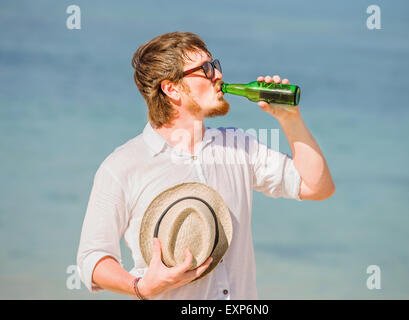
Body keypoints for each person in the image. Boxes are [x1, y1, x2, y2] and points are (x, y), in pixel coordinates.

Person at [76, 31, 335, 300]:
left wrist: (289, 119)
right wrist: (141, 287)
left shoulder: (239, 147)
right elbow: (92, 259)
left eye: (216, 66)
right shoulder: (123, 166)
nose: (218, 76)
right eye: (206, 70)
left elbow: (318, 187)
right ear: (171, 88)